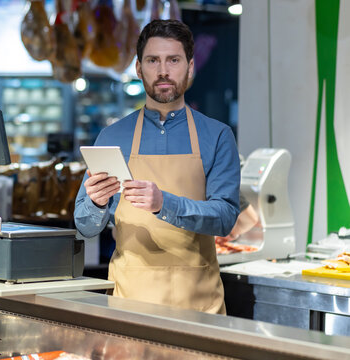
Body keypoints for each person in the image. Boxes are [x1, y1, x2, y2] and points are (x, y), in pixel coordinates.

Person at [74, 19, 240, 314]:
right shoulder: (111, 137)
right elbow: (85, 226)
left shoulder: (217, 136)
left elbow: (225, 217)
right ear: (139, 68)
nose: (163, 71)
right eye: (153, 60)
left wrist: (164, 203)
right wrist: (96, 203)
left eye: (173, 60)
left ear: (190, 67)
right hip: (129, 304)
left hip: (199, 306)